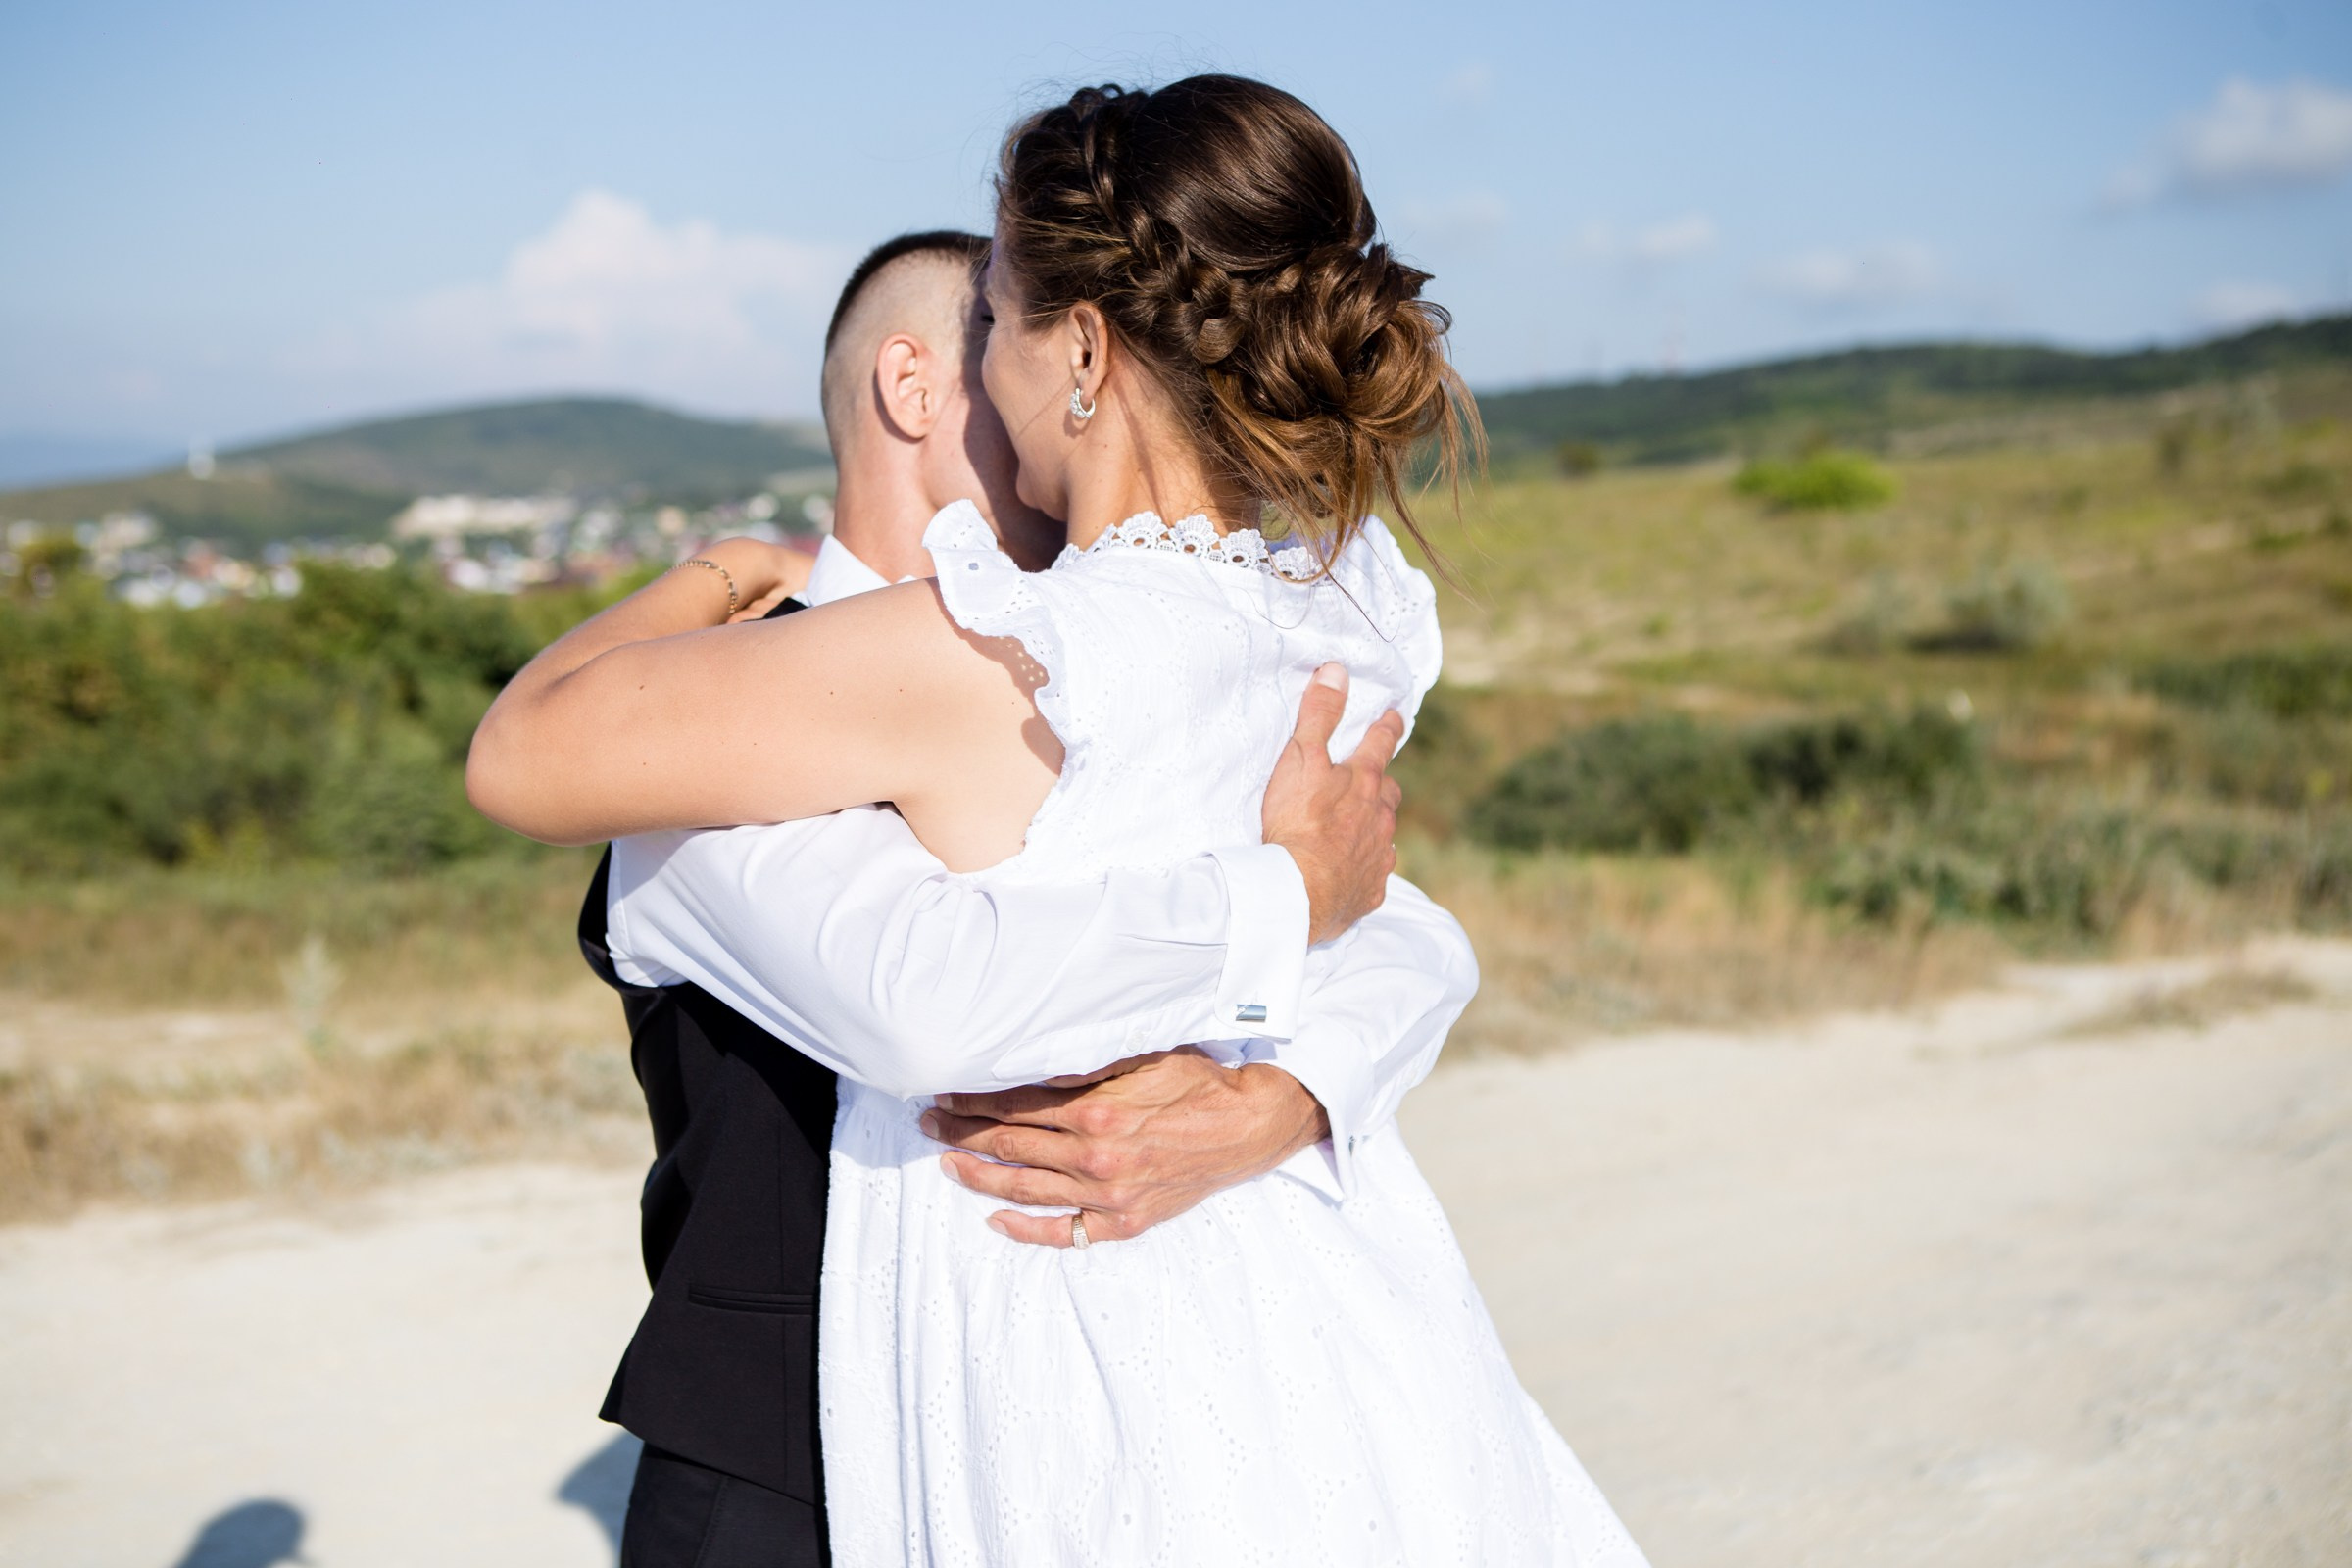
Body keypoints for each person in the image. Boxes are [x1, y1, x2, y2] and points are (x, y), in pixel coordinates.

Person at [473, 75, 1646, 1566]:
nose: (986, 358)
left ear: (1082, 349)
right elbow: (1389, 918)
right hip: (1347, 1330)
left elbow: (528, 761)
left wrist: (717, 574)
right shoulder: (1335, 620)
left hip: (1074, 1362)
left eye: (1002, 318)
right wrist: (1288, 1005)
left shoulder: (986, 651)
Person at [564, 230, 1469, 1566]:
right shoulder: (715, 716)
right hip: (784, 1473)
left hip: (1093, 1448)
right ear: (917, 387)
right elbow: (934, 992)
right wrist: (1279, 905)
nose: (1064, 388)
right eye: (1001, 346)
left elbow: (1404, 929)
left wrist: (1277, 1101)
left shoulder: (1089, 669)